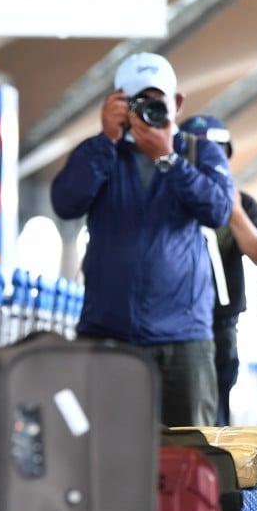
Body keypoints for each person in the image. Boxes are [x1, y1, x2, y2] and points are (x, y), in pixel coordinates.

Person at [51, 52, 234, 426]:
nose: (148, 110)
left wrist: (169, 159)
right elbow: (65, 203)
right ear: (117, 103)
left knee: (191, 449)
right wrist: (106, 140)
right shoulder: (99, 152)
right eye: (138, 101)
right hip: (107, 335)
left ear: (176, 103)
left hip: (184, 339)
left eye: (157, 100)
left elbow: (218, 211)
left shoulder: (198, 152)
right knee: (106, 446)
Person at [179, 115, 257, 426]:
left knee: (217, 403)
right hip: (175, 317)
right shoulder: (171, 197)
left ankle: (213, 456)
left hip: (221, 320)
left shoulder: (242, 202)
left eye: (217, 152)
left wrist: (234, 211)